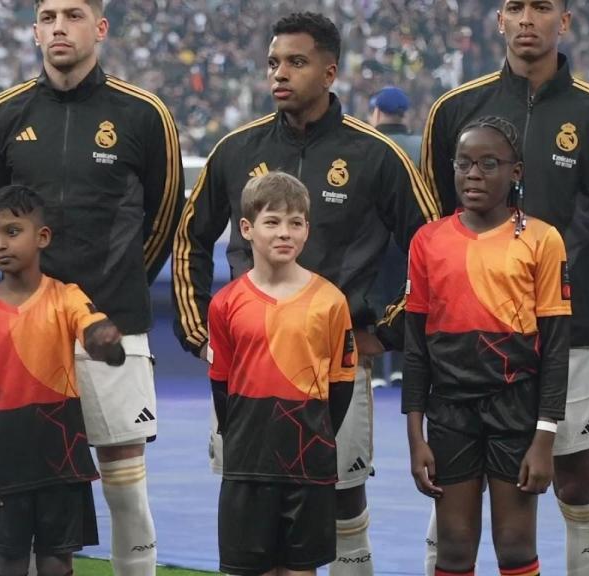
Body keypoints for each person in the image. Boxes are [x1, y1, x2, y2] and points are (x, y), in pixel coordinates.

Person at [172, 12, 439, 573]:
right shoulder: (236, 149)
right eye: (274, 62)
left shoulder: (377, 155)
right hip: (248, 365)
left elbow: (435, 247)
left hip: (334, 363)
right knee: (254, 506)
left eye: (296, 62)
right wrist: (201, 335)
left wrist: (385, 331)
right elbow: (188, 238)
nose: (280, 73)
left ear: (330, 71)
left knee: (342, 502)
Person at [421, 1, 589, 574]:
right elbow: (431, 225)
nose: (527, 18)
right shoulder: (455, 109)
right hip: (471, 347)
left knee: (578, 484)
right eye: (514, 6)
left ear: (563, 21)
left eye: (541, 6)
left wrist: (570, 310)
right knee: (455, 495)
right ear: (499, 19)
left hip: (563, 345)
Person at [0, 0, 183, 572]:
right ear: (35, 30)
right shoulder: (2, 115)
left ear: (100, 27)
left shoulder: (144, 114)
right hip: (25, 333)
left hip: (113, 323)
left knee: (123, 486)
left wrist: (117, 284)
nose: (59, 26)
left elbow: (166, 214)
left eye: (73, 14)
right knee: (30, 489)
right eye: (48, 16)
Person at [405, 116, 570, 576]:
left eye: (488, 164)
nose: (473, 174)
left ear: (515, 172)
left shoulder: (542, 240)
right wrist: (415, 435)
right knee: (455, 547)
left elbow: (555, 349)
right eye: (463, 164)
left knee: (515, 545)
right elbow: (415, 348)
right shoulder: (428, 241)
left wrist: (544, 437)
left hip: (515, 409)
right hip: (451, 410)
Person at [0, 185, 125, 576]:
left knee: (57, 561)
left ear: (42, 237)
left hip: (61, 465)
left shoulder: (67, 297)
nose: (0, 243)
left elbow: (94, 330)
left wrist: (106, 342)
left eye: (13, 231)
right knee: (9, 561)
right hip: (4, 469)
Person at [208, 171, 355, 576]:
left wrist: (312, 438)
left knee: (299, 569)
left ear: (307, 229)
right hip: (246, 463)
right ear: (247, 229)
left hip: (308, 464)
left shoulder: (330, 301)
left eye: (295, 223)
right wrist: (242, 440)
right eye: (272, 222)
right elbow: (220, 384)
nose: (284, 233)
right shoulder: (225, 303)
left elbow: (340, 389)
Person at [368, 85, 418, 388]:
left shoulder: (365, 144)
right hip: (410, 239)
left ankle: (373, 370)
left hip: (372, 239)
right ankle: (401, 367)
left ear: (376, 112)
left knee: (372, 298)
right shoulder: (421, 145)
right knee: (408, 296)